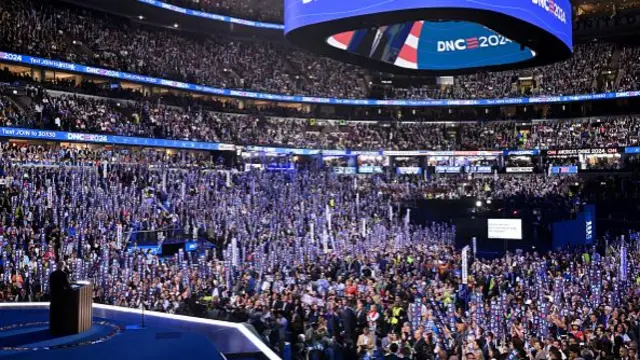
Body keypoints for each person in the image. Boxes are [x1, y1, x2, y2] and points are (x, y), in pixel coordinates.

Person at [49, 261, 71, 335]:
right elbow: (67, 286)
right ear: (63, 267)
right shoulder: (63, 274)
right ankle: (60, 329)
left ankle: (53, 328)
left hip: (53, 296)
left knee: (53, 313)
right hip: (61, 297)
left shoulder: (52, 274)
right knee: (60, 313)